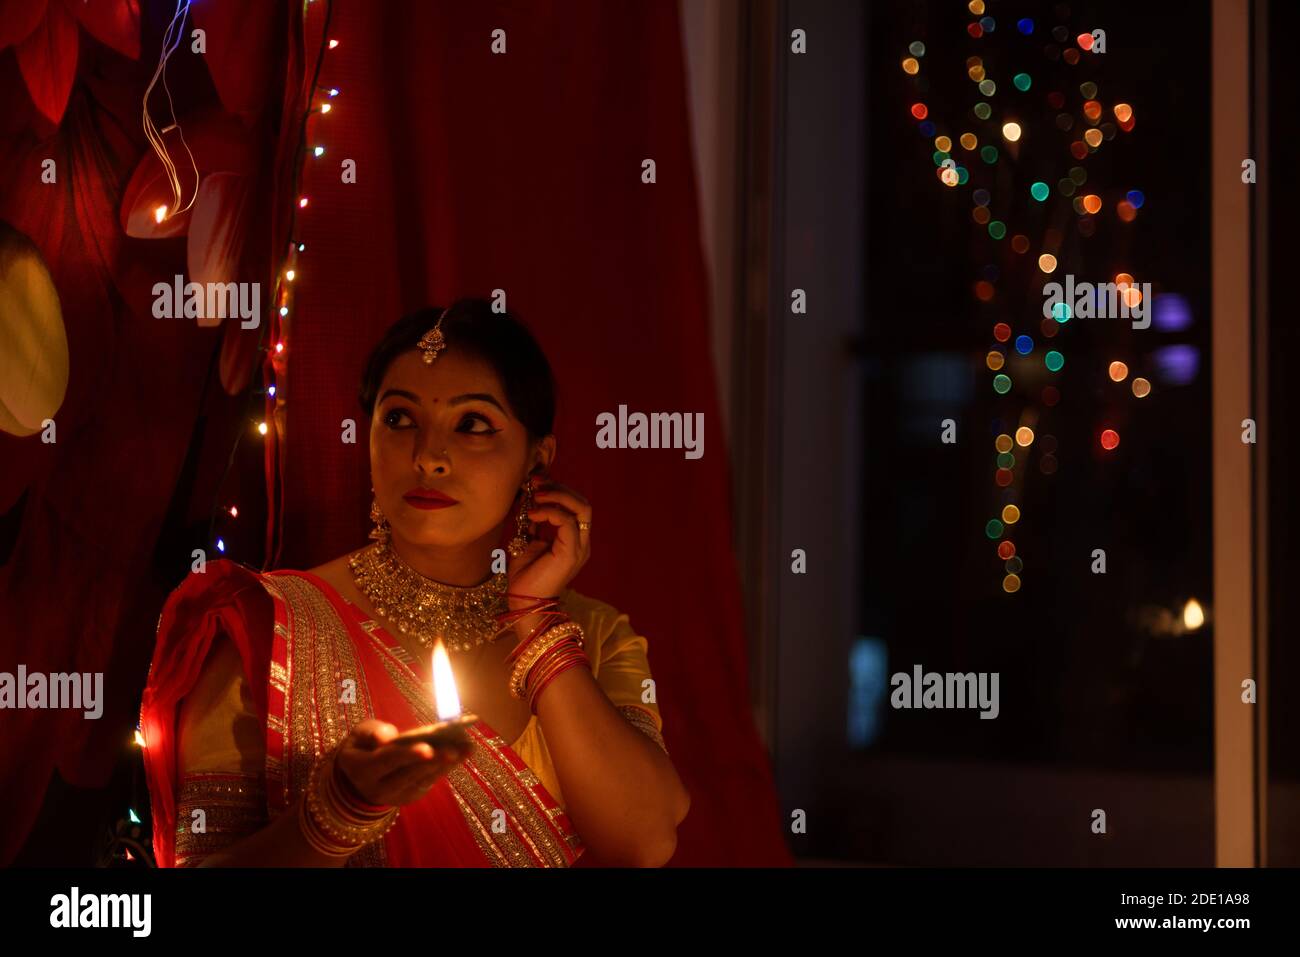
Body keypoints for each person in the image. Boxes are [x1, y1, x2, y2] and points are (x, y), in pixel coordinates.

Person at [139, 299, 690, 867]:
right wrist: (335, 816)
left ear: (536, 459)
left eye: (472, 424)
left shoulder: (593, 636)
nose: (428, 457)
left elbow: (644, 840)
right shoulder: (269, 623)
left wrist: (537, 620)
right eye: (399, 418)